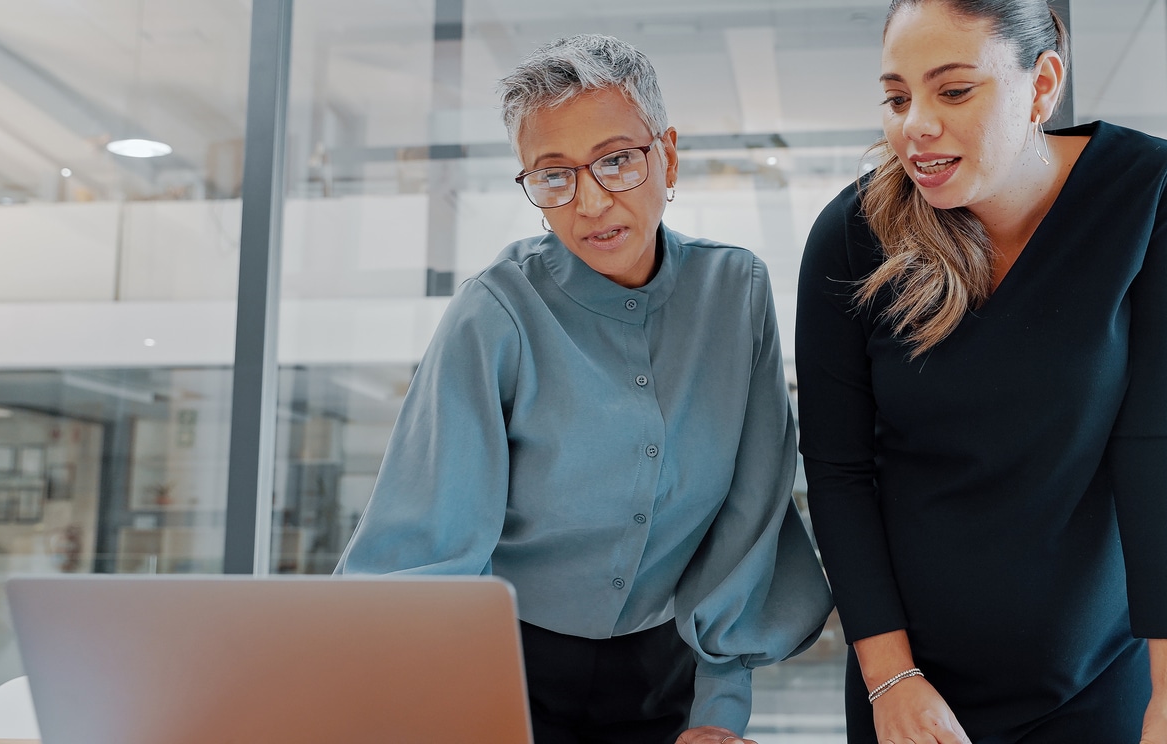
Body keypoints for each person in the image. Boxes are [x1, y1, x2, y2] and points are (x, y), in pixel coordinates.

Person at [337, 34, 832, 744]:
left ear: (668, 155)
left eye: (617, 161)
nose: (591, 201)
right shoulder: (495, 311)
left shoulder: (735, 293)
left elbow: (749, 515)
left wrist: (720, 711)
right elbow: (428, 544)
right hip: (503, 668)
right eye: (553, 174)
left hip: (671, 672)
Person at [795, 1, 1167, 743]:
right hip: (910, 685)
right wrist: (889, 679)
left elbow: (1158, 440)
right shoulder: (850, 236)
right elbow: (837, 470)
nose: (914, 125)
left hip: (1099, 675)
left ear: (1041, 83)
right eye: (897, 98)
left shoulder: (1151, 192)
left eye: (952, 90)